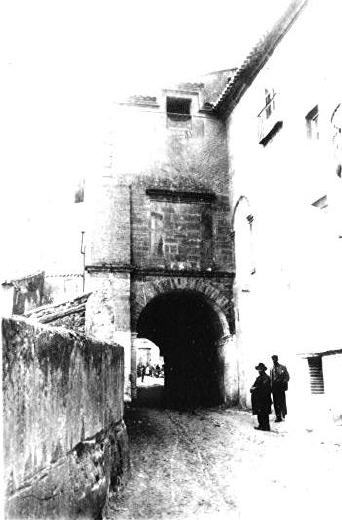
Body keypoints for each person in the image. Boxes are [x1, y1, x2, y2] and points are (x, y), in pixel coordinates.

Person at [250, 362, 272, 431]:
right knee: (259, 413)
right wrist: (252, 388)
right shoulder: (259, 378)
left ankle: (266, 427)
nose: (259, 371)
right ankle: (261, 425)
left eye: (261, 369)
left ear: (263, 370)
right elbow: (254, 385)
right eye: (259, 369)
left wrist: (255, 389)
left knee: (264, 413)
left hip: (264, 399)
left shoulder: (266, 378)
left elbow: (263, 388)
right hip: (259, 399)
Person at [270, 354, 290, 422]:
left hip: (281, 388)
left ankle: (284, 415)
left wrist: (283, 382)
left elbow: (287, 377)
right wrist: (271, 388)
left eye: (275, 359)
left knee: (282, 402)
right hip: (274, 388)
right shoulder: (271, 369)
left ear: (277, 359)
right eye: (273, 359)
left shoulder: (282, 367)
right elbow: (271, 379)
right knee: (276, 403)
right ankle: (278, 417)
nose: (274, 360)